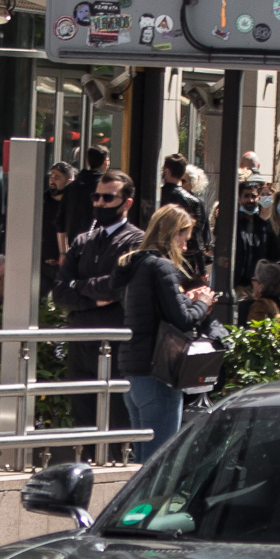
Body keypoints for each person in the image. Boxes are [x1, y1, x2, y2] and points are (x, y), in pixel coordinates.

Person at [54, 170, 143, 443]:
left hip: (114, 344)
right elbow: (58, 292)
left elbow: (117, 286)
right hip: (80, 342)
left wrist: (77, 286)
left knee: (115, 423)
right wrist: (90, 296)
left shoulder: (136, 241)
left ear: (127, 202)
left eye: (108, 198)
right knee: (84, 423)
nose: (100, 203)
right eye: (96, 197)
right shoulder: (82, 241)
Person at [120, 204, 211, 463]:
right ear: (173, 234)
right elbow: (182, 319)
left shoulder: (135, 265)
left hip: (133, 371)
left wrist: (184, 299)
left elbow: (153, 310)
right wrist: (202, 302)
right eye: (184, 239)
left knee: (142, 461)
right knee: (159, 463)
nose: (185, 247)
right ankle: (150, 506)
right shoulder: (163, 267)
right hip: (158, 371)